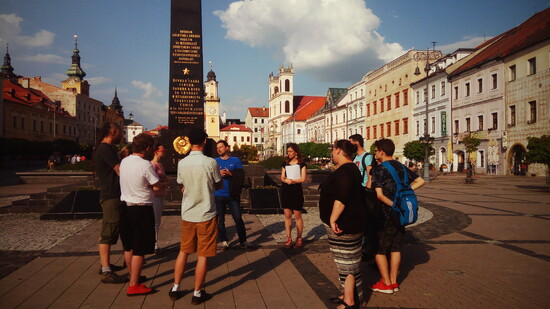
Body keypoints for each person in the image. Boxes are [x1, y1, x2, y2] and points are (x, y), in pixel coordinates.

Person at [169, 128, 223, 304]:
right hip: (206, 212)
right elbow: (218, 184)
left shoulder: (182, 163)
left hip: (188, 213)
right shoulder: (210, 163)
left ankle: (176, 287)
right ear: (205, 142)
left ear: (189, 142)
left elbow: (181, 184)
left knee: (183, 251)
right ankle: (197, 292)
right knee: (203, 255)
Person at [370, 139, 425, 294]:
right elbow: (421, 181)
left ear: (381, 151)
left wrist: (393, 203)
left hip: (385, 215)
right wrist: (404, 193)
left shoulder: (379, 169)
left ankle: (386, 283)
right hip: (401, 215)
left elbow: (379, 196)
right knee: (395, 248)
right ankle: (394, 282)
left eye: (376, 151)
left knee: (379, 250)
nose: (375, 154)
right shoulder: (401, 166)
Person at [319, 140, 367, 309]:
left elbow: (342, 197)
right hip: (350, 222)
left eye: (333, 150)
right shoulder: (350, 168)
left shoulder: (346, 171)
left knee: (346, 262)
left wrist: (332, 218)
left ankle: (350, 301)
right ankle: (350, 294)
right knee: (348, 261)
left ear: (339, 150)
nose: (332, 153)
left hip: (345, 224)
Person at [119, 133, 159, 296]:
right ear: (148, 148)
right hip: (141, 209)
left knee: (128, 246)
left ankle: (132, 277)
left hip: (125, 207)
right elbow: (155, 185)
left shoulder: (125, 161)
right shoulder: (145, 165)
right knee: (140, 248)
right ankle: (134, 285)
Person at [92, 122, 126, 284]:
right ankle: (106, 271)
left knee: (109, 229)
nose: (122, 135)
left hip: (112, 194)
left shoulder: (106, 149)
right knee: (108, 233)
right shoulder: (105, 149)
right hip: (112, 195)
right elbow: (120, 171)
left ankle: (105, 265)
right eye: (120, 132)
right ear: (112, 131)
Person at [214, 140, 252, 250]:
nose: (219, 149)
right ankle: (224, 241)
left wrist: (231, 174)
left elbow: (241, 176)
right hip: (218, 194)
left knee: (238, 218)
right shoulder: (214, 161)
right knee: (220, 220)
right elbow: (209, 176)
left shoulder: (235, 160)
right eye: (217, 148)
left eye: (221, 147)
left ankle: (243, 241)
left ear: (227, 148)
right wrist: (218, 173)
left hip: (232, 195)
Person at [280, 143, 307, 249]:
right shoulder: (285, 163)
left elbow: (303, 178)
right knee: (287, 215)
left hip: (296, 190)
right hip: (286, 190)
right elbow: (282, 177)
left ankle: (299, 237)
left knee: (297, 215)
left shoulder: (301, 164)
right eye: (288, 151)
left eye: (290, 151)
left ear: (296, 152)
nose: (288, 153)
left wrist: (293, 181)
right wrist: (285, 180)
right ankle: (288, 237)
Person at [150, 142, 167, 254]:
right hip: (154, 196)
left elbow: (164, 179)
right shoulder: (151, 165)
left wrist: (163, 182)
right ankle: (154, 245)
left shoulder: (160, 165)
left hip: (161, 194)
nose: (164, 152)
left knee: (158, 221)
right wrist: (163, 182)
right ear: (156, 151)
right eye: (162, 150)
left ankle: (154, 243)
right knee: (155, 222)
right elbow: (154, 183)